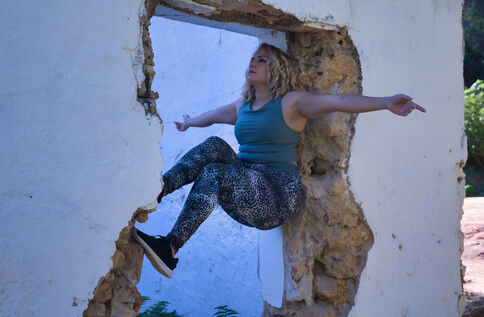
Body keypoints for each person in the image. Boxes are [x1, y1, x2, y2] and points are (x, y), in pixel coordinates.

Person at [132, 43, 426, 278]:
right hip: (246, 183)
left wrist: (386, 102)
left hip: (277, 194)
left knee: (214, 173)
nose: (252, 63)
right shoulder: (243, 105)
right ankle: (154, 193)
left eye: (261, 60)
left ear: (276, 69)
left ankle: (170, 248)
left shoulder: (292, 103)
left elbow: (337, 101)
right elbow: (214, 116)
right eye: (252, 58)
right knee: (214, 145)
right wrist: (189, 123)